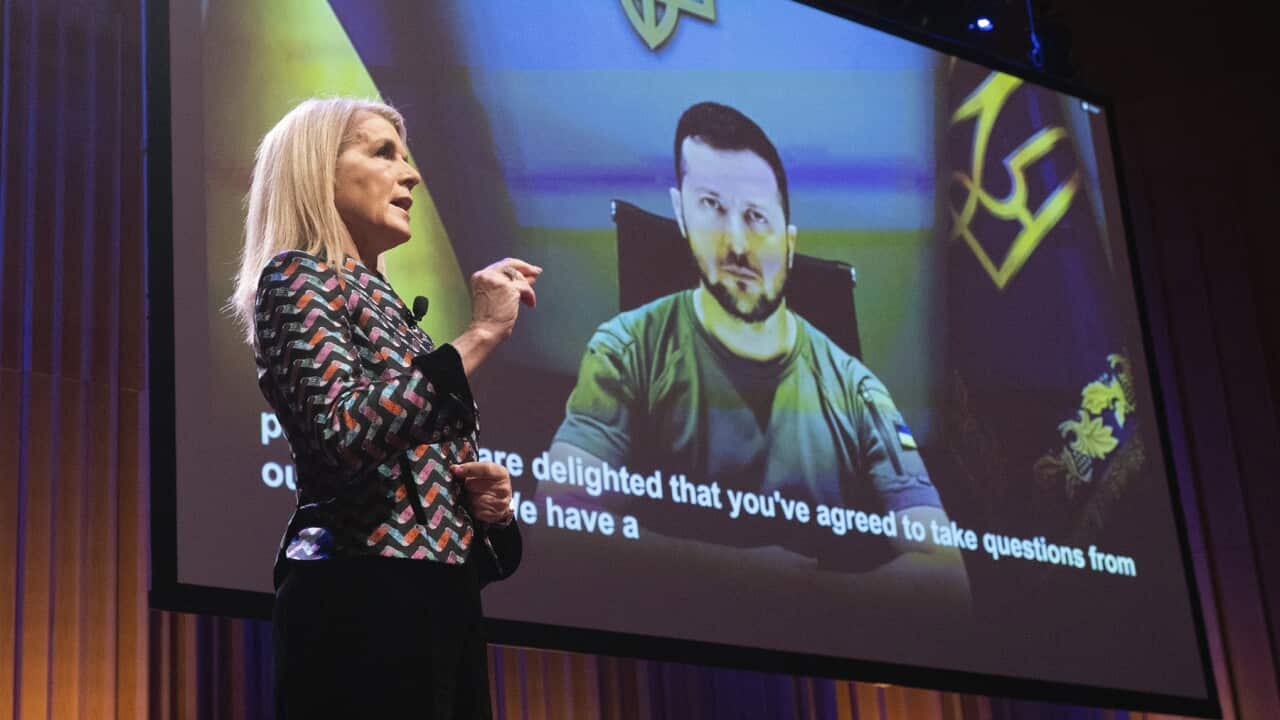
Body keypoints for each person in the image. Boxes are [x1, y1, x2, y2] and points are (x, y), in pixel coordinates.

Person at [550, 102, 968, 601]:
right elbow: (561, 531)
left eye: (756, 217)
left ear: (789, 242)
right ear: (681, 214)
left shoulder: (858, 390)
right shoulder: (625, 348)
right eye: (711, 207)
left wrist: (803, 598)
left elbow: (948, 579)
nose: (738, 244)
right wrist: (759, 576)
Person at [228, 97, 540, 719]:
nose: (412, 173)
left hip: (441, 608)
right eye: (382, 152)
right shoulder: (297, 277)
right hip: (362, 603)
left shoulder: (402, 319)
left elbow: (433, 506)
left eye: (406, 156)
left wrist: (492, 512)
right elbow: (342, 430)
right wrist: (478, 335)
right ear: (319, 170)